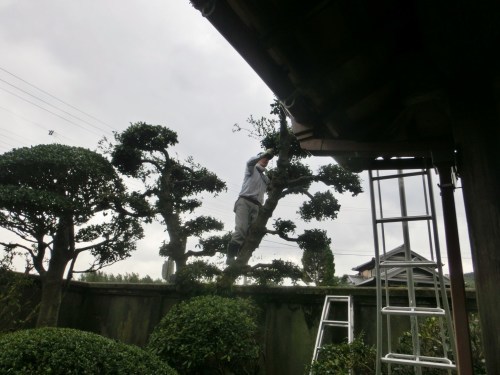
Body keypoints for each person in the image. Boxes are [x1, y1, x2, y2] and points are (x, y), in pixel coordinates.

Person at [226, 148, 274, 264]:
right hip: (244, 202)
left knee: (252, 234)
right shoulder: (251, 170)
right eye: (264, 158)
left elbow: (273, 187)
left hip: (257, 206)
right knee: (241, 229)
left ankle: (242, 259)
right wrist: (264, 153)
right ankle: (230, 257)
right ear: (259, 158)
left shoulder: (265, 178)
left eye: (268, 159)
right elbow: (250, 162)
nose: (266, 160)